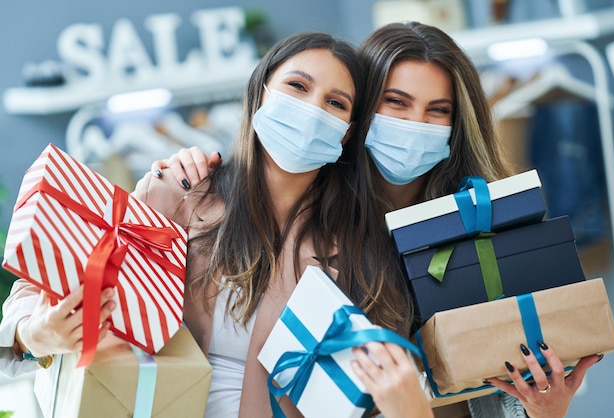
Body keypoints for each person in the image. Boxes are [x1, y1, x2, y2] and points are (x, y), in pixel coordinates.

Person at [154, 21, 603, 418]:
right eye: (396, 102)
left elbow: (502, 385)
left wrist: (545, 411)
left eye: (438, 110)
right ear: (360, 117)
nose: (414, 124)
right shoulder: (317, 229)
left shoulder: (477, 226)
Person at [0, 31, 432, 418]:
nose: (312, 110)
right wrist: (35, 332)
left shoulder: (361, 246)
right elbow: (37, 289)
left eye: (335, 103)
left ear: (347, 133)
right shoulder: (181, 191)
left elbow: (374, 395)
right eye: (297, 86)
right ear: (259, 94)